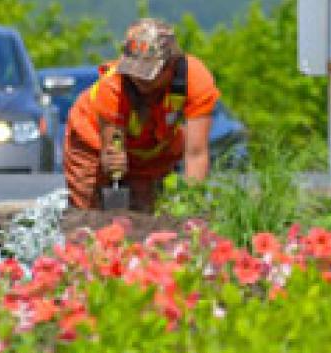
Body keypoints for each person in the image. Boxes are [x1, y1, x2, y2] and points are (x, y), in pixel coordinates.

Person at [64, 18, 220, 211]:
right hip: (91, 139)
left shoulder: (195, 79)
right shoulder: (113, 86)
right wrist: (114, 160)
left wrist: (192, 203)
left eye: (147, 73)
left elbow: (196, 153)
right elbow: (111, 149)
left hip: (153, 149)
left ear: (171, 65)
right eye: (134, 70)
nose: (138, 78)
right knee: (88, 210)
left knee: (147, 211)